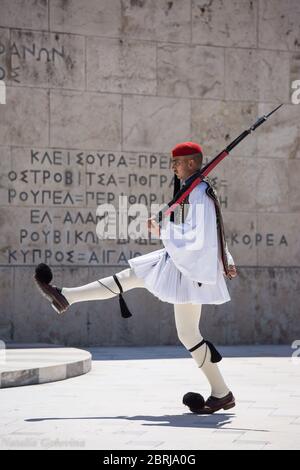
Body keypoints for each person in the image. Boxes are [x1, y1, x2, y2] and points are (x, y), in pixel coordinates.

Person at [34, 141, 237, 414]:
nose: (173, 168)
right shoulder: (196, 190)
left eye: (176, 162)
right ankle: (221, 393)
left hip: (189, 269)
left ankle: (67, 296)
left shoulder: (200, 191)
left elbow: (201, 236)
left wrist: (163, 230)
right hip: (186, 265)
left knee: (176, 321)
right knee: (145, 290)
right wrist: (226, 259)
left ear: (191, 163)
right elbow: (212, 232)